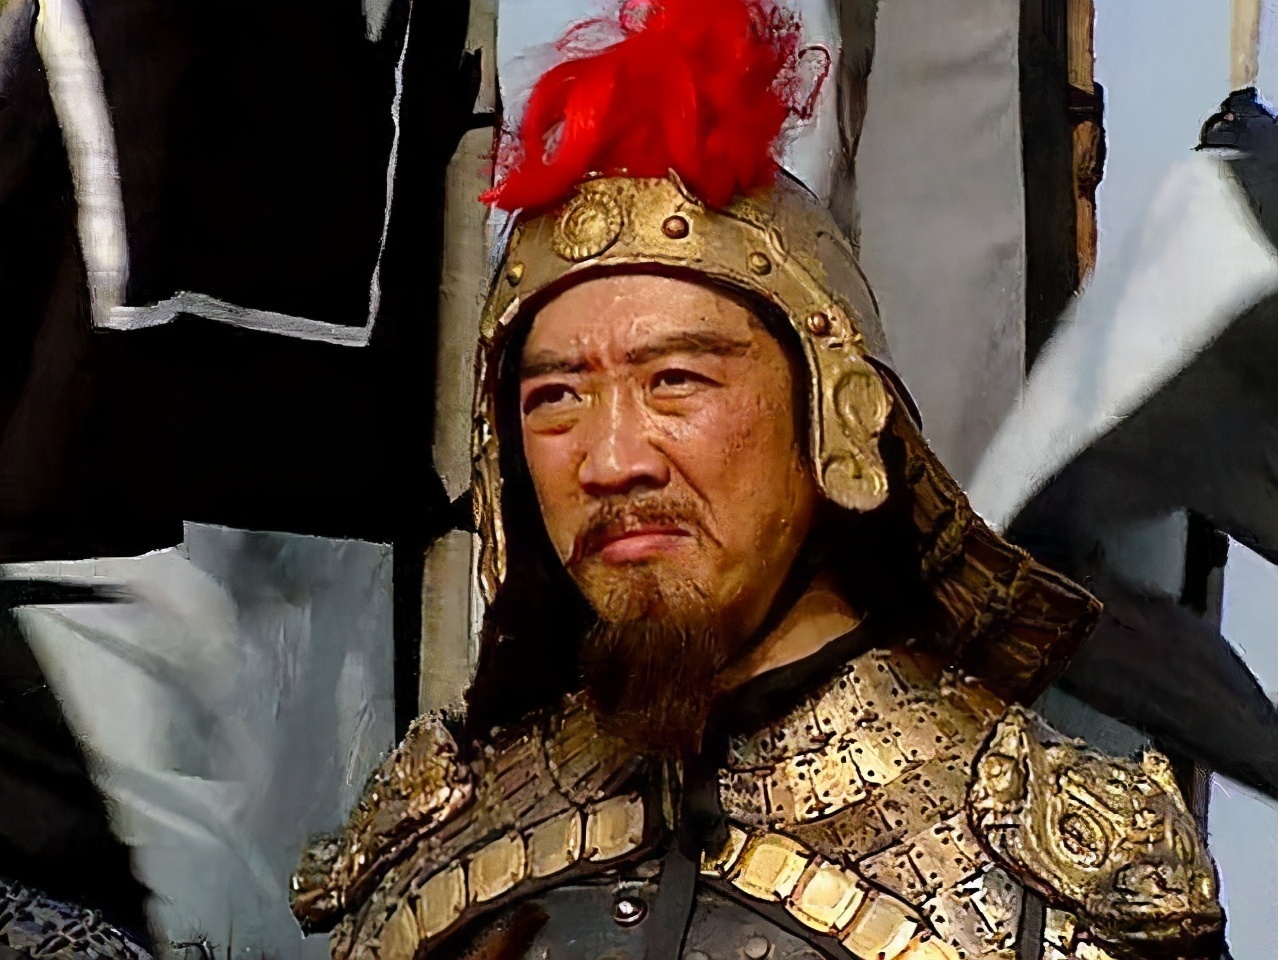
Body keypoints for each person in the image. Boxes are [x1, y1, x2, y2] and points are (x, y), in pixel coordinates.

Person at [290, 2, 1224, 958]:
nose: (611, 461)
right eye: (556, 399)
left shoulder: (1049, 886)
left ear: (835, 414)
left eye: (675, 381)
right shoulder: (433, 860)